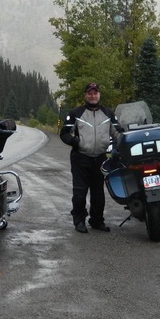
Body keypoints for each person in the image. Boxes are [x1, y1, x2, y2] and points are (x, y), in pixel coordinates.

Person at [60, 82, 121, 233]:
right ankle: (79, 221)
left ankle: (97, 220)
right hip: (80, 157)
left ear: (99, 94)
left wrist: (124, 144)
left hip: (100, 157)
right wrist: (75, 142)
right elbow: (64, 133)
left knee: (98, 193)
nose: (93, 96)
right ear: (85, 95)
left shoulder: (108, 113)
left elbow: (118, 133)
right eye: (90, 93)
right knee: (80, 193)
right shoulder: (76, 113)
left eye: (95, 93)